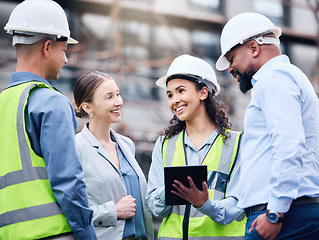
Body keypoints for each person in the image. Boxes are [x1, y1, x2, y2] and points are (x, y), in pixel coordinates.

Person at [216, 12, 319, 240]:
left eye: (232, 58)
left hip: (283, 216)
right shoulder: (287, 77)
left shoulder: (274, 77)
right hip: (288, 211)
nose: (231, 68)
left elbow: (289, 143)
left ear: (253, 48)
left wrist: (275, 213)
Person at [0, 1, 97, 239]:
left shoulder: (3, 101)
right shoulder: (51, 102)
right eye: (64, 50)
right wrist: (87, 233)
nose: (65, 60)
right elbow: (68, 182)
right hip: (51, 233)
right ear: (47, 47)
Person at [146, 54, 246, 240]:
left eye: (181, 91)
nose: (174, 100)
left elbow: (239, 204)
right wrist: (172, 188)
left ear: (203, 92)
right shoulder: (164, 144)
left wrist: (205, 204)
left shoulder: (237, 144)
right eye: (169, 94)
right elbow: (154, 206)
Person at [73, 71, 154, 240]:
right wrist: (113, 211)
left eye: (118, 94)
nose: (119, 102)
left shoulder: (127, 145)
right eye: (109, 97)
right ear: (88, 107)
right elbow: (70, 210)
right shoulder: (76, 147)